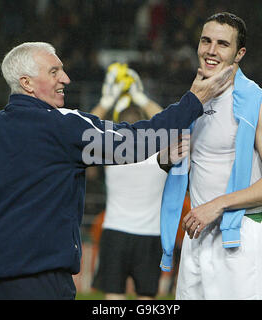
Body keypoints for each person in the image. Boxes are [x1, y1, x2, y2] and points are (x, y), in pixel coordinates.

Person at [0, 42, 233, 300]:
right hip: (41, 281)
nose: (65, 79)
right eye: (55, 72)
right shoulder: (61, 125)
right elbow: (136, 142)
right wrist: (193, 100)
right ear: (27, 83)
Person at [160, 12, 262, 300]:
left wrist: (218, 205)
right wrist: (167, 157)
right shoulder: (192, 101)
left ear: (239, 53)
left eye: (223, 44)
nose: (211, 50)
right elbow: (177, 161)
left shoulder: (257, 105)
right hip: (198, 238)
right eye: (206, 41)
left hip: (242, 238)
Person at [90, 65, 180, 300]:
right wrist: (142, 97)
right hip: (149, 236)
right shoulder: (159, 152)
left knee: (113, 299)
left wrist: (107, 100)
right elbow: (175, 128)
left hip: (115, 234)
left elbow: (83, 130)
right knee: (146, 299)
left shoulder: (111, 153)